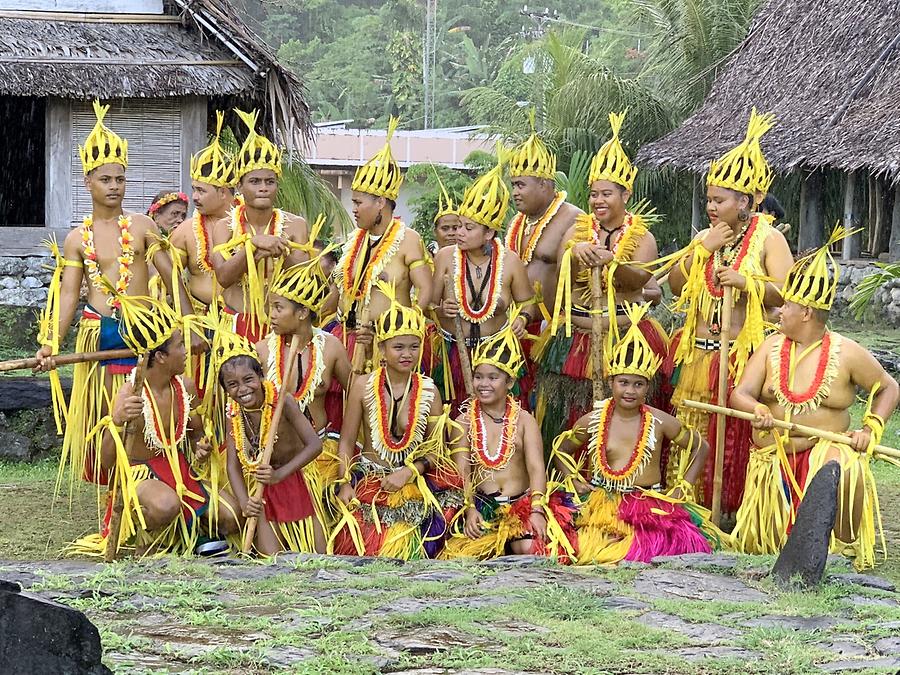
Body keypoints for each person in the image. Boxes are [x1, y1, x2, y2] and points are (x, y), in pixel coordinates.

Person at [35, 100, 195, 493]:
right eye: (105, 179)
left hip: (146, 334)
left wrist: (189, 325)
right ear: (88, 181)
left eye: (120, 179)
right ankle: (115, 490)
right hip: (100, 333)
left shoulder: (141, 226)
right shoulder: (77, 238)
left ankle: (150, 482)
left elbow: (172, 277)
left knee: (144, 411)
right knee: (110, 413)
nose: (114, 186)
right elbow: (70, 296)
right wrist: (51, 341)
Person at [730, 229, 899, 570]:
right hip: (773, 454)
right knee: (767, 548)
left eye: (786, 305)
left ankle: (836, 549)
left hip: (823, 449)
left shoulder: (847, 352)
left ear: (806, 312)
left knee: (839, 465)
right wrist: (758, 408)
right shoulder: (769, 347)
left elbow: (888, 387)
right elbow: (740, 394)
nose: (778, 312)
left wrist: (870, 428)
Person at [664, 109, 794, 513]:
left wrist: (748, 283)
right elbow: (674, 284)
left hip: (742, 356)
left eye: (720, 200)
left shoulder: (769, 238)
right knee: (696, 429)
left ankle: (731, 511)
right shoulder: (706, 237)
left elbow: (789, 292)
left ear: (746, 201)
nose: (712, 207)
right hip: (700, 353)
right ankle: (692, 507)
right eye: (709, 199)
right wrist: (702, 249)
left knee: (735, 435)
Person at [553, 303, 725, 564]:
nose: (630, 391)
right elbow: (561, 451)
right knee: (589, 551)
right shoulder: (593, 421)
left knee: (653, 549)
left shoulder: (659, 421)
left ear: (647, 387)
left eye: (638, 384)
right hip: (603, 502)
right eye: (623, 383)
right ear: (611, 383)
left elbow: (701, 447)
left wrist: (683, 487)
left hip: (648, 503)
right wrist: (574, 480)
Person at [536, 111, 668, 450]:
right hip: (577, 333)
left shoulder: (643, 237)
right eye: (594, 194)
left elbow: (640, 279)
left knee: (621, 408)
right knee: (569, 409)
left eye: (606, 194)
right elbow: (554, 256)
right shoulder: (578, 229)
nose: (597, 201)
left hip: (624, 333)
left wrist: (613, 264)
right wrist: (573, 248)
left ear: (626, 195)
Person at [70, 294, 240, 557]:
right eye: (180, 346)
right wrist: (116, 421)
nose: (187, 351)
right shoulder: (130, 393)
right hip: (142, 474)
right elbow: (105, 461)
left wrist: (200, 447)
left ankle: (188, 535)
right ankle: (152, 538)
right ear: (160, 356)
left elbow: (194, 432)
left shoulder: (185, 387)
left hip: (180, 471)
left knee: (231, 515)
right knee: (165, 505)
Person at [331, 282, 460, 559]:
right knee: (369, 547)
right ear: (382, 347)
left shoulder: (429, 390)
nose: (407, 354)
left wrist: (409, 472)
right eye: (398, 347)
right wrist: (344, 482)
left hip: (413, 479)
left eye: (414, 347)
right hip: (370, 478)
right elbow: (346, 442)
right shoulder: (362, 386)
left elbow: (437, 450)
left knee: (419, 543)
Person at [442, 312, 577, 560]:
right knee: (466, 556)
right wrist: (469, 509)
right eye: (478, 376)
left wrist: (537, 510)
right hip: (482, 505)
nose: (484, 384)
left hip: (521, 505)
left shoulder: (525, 421)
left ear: (509, 381)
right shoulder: (463, 422)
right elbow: (462, 473)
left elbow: (537, 468)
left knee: (528, 550)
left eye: (493, 378)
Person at [324, 118, 432, 376]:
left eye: (359, 202)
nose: (354, 208)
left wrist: (403, 329)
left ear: (381, 202)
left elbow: (426, 289)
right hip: (348, 338)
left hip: (388, 348)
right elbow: (339, 292)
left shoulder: (409, 239)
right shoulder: (354, 241)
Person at [431, 156, 536, 413]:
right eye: (458, 227)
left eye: (468, 228)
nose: (459, 233)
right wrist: (441, 309)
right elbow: (429, 304)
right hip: (452, 354)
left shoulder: (510, 262)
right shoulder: (445, 257)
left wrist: (522, 318)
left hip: (497, 355)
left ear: (488, 233)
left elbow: (528, 302)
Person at [255, 252, 352, 525]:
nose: (270, 315)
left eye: (278, 308)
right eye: (270, 307)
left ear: (302, 313)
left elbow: (355, 396)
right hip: (276, 454)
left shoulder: (331, 347)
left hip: (322, 454)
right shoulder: (261, 351)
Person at [216, 328, 326, 556]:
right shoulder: (233, 412)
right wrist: (246, 503)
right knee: (271, 558)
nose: (243, 389)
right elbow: (232, 465)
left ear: (261, 376)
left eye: (248, 379)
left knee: (318, 554)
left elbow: (315, 445)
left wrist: (280, 474)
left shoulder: (283, 401)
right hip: (261, 485)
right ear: (225, 390)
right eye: (232, 385)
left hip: (296, 475)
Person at [211, 108, 311, 344]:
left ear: (277, 185)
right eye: (254, 181)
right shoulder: (224, 227)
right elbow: (223, 278)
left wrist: (281, 251)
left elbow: (304, 281)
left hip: (282, 328)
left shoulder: (296, 225)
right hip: (236, 324)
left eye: (269, 181)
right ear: (240, 186)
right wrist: (252, 248)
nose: (263, 188)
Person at [504, 123, 583, 327]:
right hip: (514, 327)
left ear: (543, 184)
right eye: (513, 186)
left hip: (554, 328)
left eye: (521, 185)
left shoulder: (573, 218)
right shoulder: (516, 223)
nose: (515, 193)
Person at [170, 111, 236, 312]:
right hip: (197, 321)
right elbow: (166, 276)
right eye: (194, 190)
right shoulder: (185, 231)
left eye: (201, 190)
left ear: (223, 192)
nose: (195, 197)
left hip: (241, 322)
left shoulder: (250, 226)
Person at [429, 178, 460, 253]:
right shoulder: (424, 257)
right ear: (435, 231)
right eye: (445, 228)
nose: (451, 233)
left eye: (455, 228)